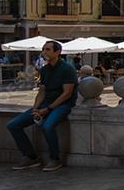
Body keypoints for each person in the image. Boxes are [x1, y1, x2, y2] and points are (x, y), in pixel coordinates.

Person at [7, 40, 78, 171]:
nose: (44, 52)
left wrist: (48, 109)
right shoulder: (44, 70)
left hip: (63, 105)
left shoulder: (68, 69)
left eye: (48, 49)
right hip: (45, 104)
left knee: (47, 126)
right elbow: (42, 91)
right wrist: (35, 108)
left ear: (58, 52)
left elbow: (67, 94)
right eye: (43, 49)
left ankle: (55, 159)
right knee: (13, 125)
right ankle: (31, 157)